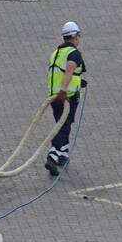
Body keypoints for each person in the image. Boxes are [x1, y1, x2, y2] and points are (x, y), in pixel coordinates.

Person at [45, 22, 86, 176]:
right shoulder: (74, 53)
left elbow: (60, 73)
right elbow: (69, 70)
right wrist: (63, 91)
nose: (79, 39)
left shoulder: (55, 53)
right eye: (79, 36)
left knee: (62, 125)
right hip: (66, 97)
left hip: (53, 97)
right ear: (74, 36)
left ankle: (63, 154)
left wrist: (78, 82)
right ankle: (52, 157)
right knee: (63, 126)